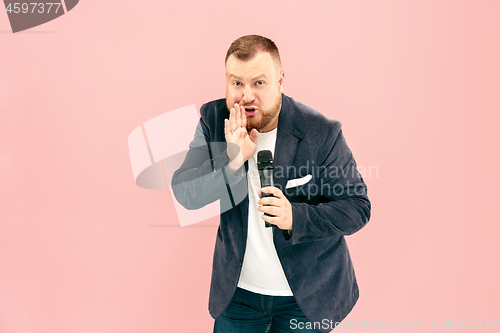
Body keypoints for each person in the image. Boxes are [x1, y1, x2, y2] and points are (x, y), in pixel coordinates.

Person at [171, 35, 371, 333]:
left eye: (259, 83)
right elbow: (186, 193)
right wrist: (234, 161)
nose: (246, 95)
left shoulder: (321, 132)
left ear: (280, 80)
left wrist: (296, 216)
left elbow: (357, 208)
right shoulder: (213, 120)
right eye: (237, 83)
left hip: (306, 296)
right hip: (238, 295)